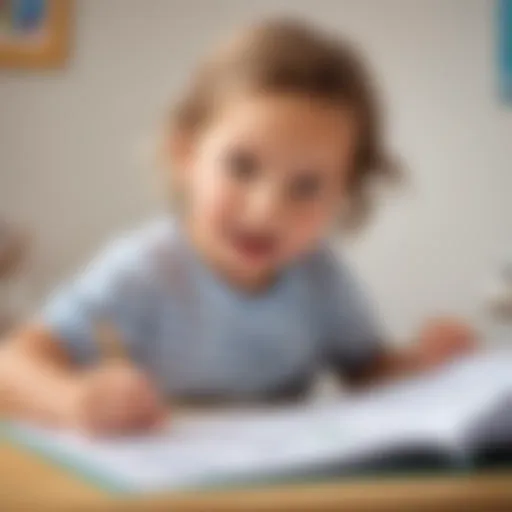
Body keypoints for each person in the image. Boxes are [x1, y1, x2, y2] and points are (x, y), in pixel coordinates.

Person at [0, 19, 476, 435]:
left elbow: (367, 372)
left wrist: (421, 364)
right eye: (242, 167)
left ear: (343, 194)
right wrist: (75, 401)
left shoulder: (320, 277)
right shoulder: (143, 270)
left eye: (307, 186)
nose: (266, 209)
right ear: (186, 154)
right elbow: (12, 368)